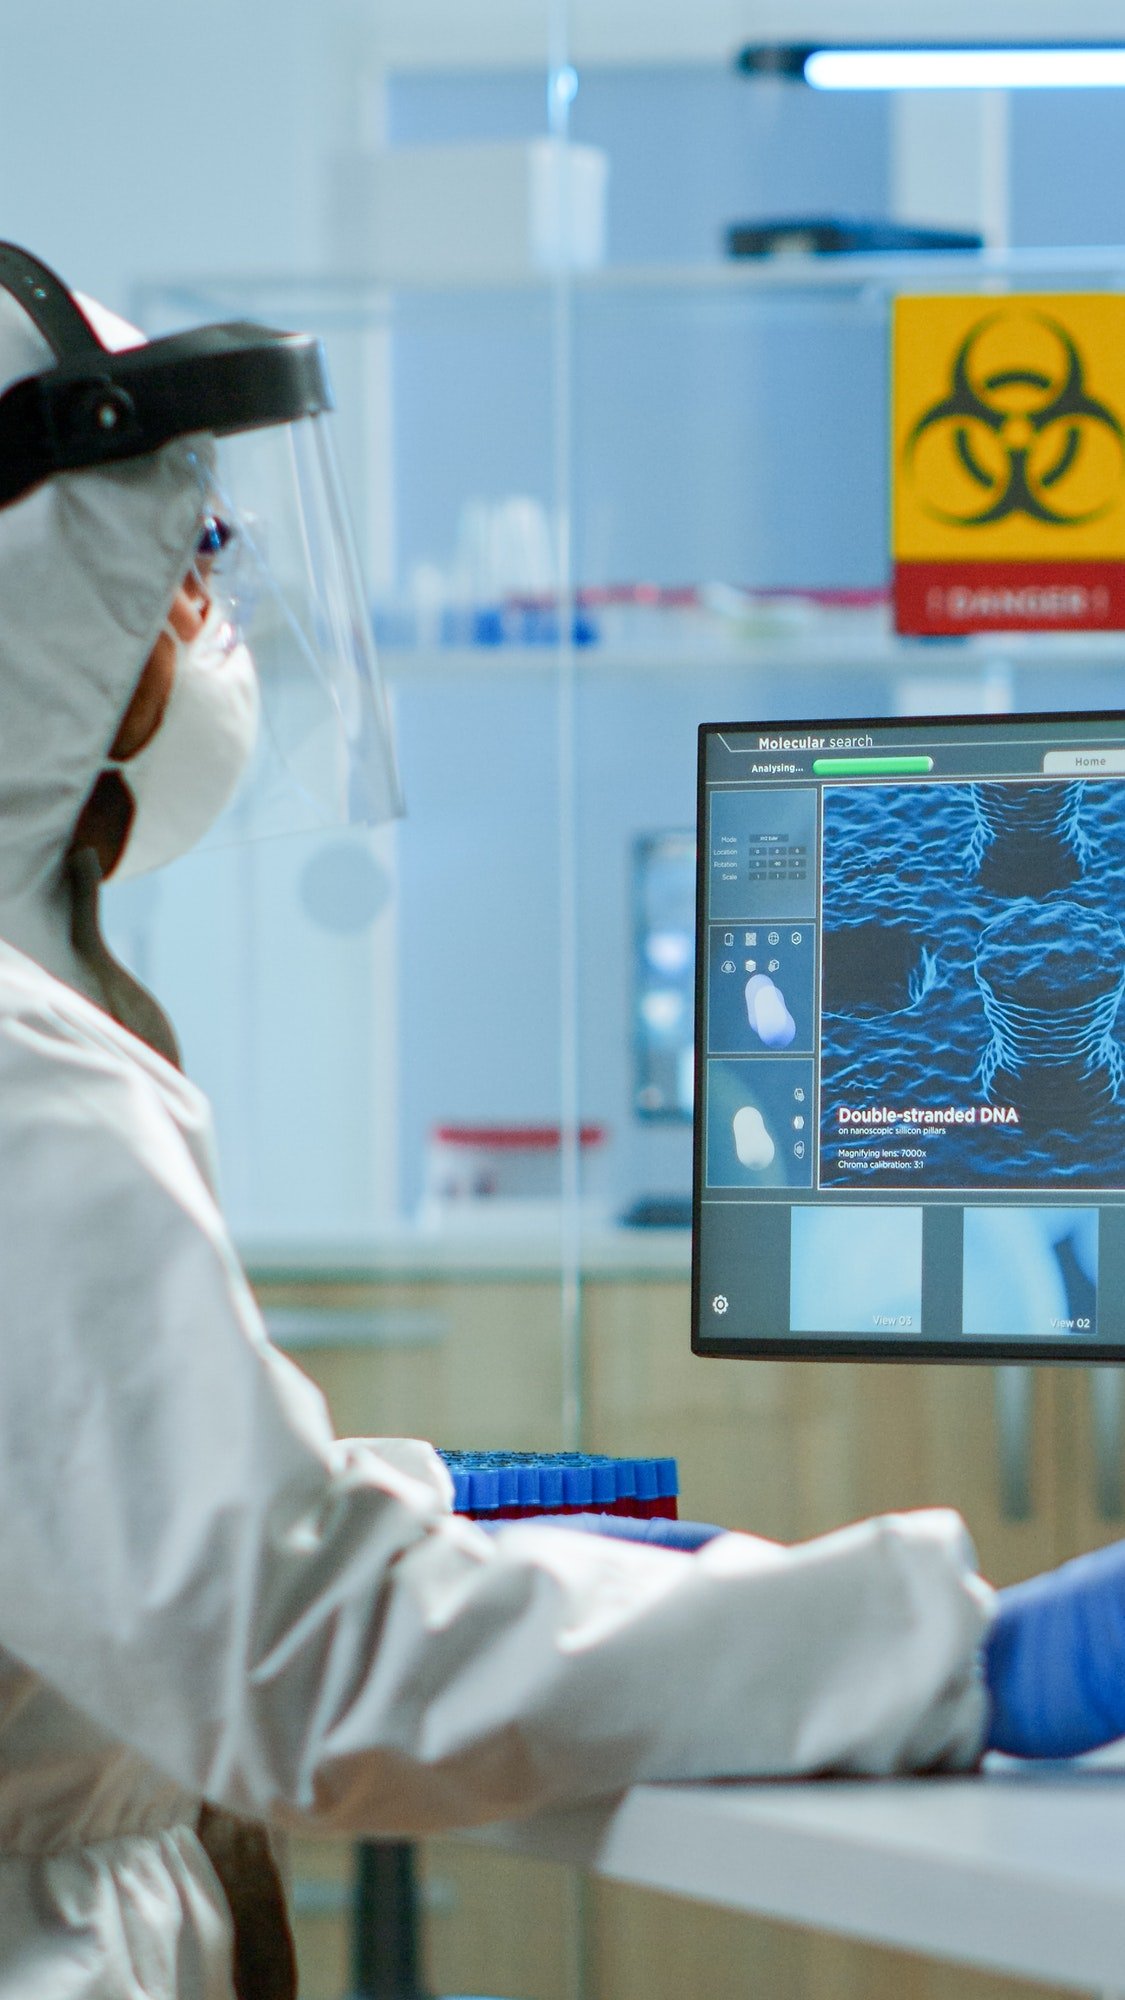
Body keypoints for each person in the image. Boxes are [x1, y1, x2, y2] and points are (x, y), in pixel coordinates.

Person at [0, 241, 1120, 2000]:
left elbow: (78, 1522)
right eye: (184, 555)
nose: (219, 618)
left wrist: (435, 1505)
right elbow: (304, 1654)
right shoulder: (21, 1083)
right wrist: (955, 1657)